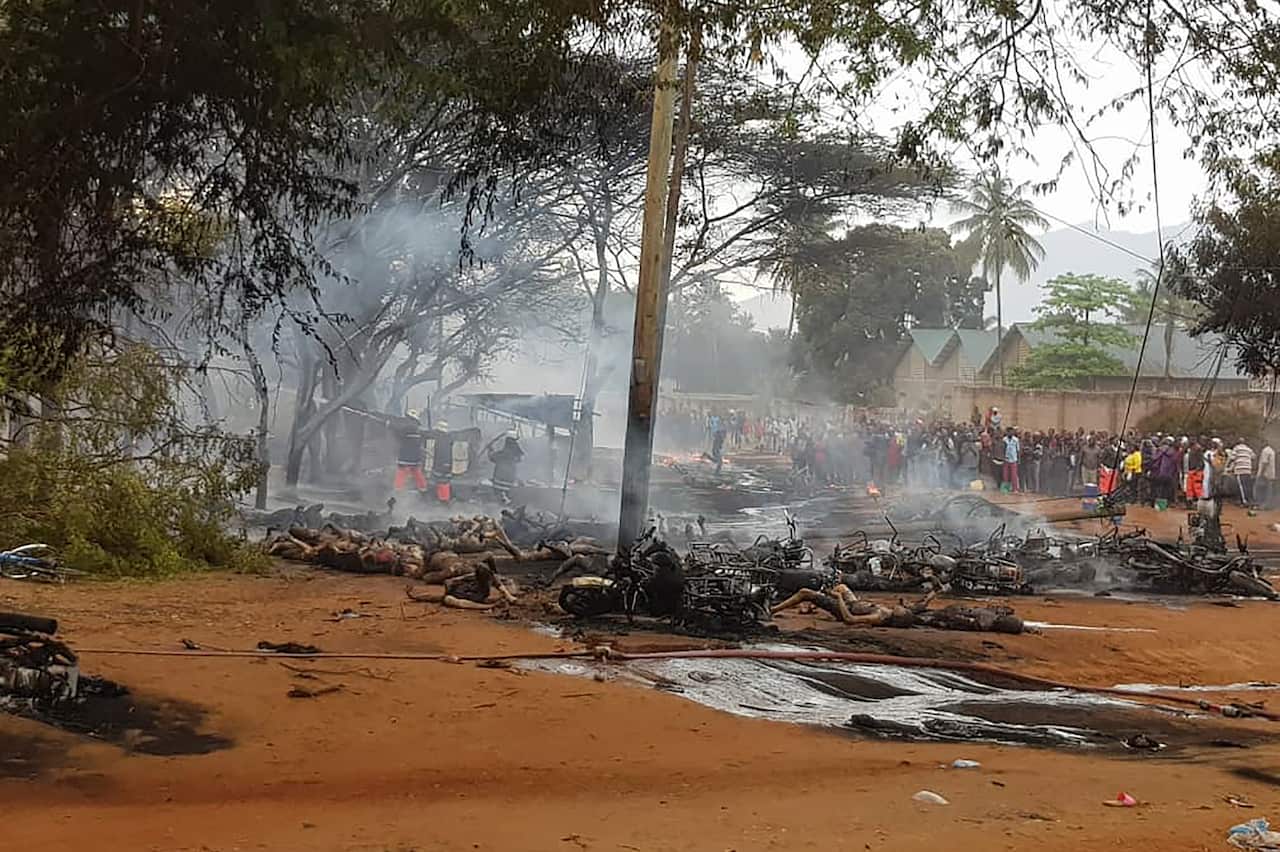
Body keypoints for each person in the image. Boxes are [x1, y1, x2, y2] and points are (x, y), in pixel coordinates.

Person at [392, 409, 428, 492]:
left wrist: (390, 425)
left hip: (406, 456)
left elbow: (399, 434)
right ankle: (423, 489)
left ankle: (397, 491)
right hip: (415, 457)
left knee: (401, 473)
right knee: (417, 472)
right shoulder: (417, 429)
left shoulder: (408, 427)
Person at [488, 430, 524, 504]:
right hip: (510, 480)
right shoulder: (516, 454)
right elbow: (520, 458)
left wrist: (490, 450)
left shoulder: (504, 453)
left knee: (499, 497)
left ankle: (500, 505)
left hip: (499, 480)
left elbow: (492, 457)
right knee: (506, 496)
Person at [1230, 437, 1257, 505]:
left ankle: (1244, 501)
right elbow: (1254, 456)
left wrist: (1229, 467)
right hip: (1248, 469)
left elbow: (1232, 458)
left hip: (1240, 470)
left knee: (1240, 486)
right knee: (1247, 485)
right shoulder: (1248, 449)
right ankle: (1250, 499)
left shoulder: (1236, 448)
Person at [1002, 427, 1021, 492]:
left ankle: (1015, 488)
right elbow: (1003, 449)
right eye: (1009, 432)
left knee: (1014, 475)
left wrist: (1019, 459)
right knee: (1005, 475)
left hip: (1014, 459)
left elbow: (1018, 450)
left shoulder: (1016, 440)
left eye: (1011, 432)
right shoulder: (1004, 439)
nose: (1010, 433)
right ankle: (1006, 488)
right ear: (1007, 432)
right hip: (1006, 458)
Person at [1260, 440, 1277, 509]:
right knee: (1269, 490)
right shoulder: (1272, 451)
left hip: (1265, 474)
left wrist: (1261, 473)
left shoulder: (1265, 451)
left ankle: (1263, 505)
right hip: (1271, 473)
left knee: (1262, 490)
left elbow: (1264, 462)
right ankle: (1269, 504)